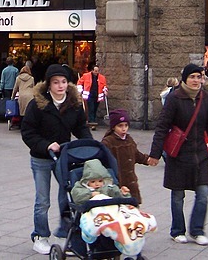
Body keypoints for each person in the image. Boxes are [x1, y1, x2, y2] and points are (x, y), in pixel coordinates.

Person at [147, 63, 208, 246]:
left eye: (200, 77)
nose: (197, 81)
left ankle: (197, 230)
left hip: (199, 155)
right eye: (193, 77)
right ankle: (177, 230)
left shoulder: (205, 98)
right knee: (178, 195)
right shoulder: (175, 98)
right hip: (179, 155)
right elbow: (162, 126)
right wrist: (155, 154)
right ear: (185, 79)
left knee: (203, 192)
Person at [21, 64, 92, 255]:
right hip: (42, 157)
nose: (60, 86)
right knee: (43, 199)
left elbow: (81, 128)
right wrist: (46, 145)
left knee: (68, 196)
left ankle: (67, 233)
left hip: (64, 157)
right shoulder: (37, 104)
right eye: (55, 82)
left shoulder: (74, 104)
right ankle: (40, 236)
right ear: (48, 85)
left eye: (63, 82)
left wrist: (89, 146)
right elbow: (28, 132)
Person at [72, 159, 156, 260]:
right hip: (95, 212)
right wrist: (90, 194)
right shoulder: (81, 189)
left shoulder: (110, 188)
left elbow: (121, 199)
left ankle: (130, 244)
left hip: (113, 212)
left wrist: (125, 194)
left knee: (128, 220)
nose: (97, 184)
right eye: (93, 182)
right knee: (100, 223)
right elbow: (77, 197)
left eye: (100, 181)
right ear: (86, 182)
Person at [101, 109, 150, 204]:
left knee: (133, 207)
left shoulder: (129, 139)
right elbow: (104, 162)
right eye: (120, 126)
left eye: (126, 125)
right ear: (113, 127)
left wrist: (147, 159)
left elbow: (136, 154)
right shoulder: (108, 142)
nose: (124, 129)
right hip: (118, 182)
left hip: (131, 182)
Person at [78, 64, 108, 128]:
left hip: (97, 95)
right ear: (92, 70)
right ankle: (92, 122)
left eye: (97, 71)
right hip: (89, 94)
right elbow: (80, 82)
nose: (96, 72)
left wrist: (105, 90)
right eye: (95, 71)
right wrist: (80, 90)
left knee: (95, 109)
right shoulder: (86, 76)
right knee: (91, 108)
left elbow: (104, 86)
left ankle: (92, 120)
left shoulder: (102, 78)